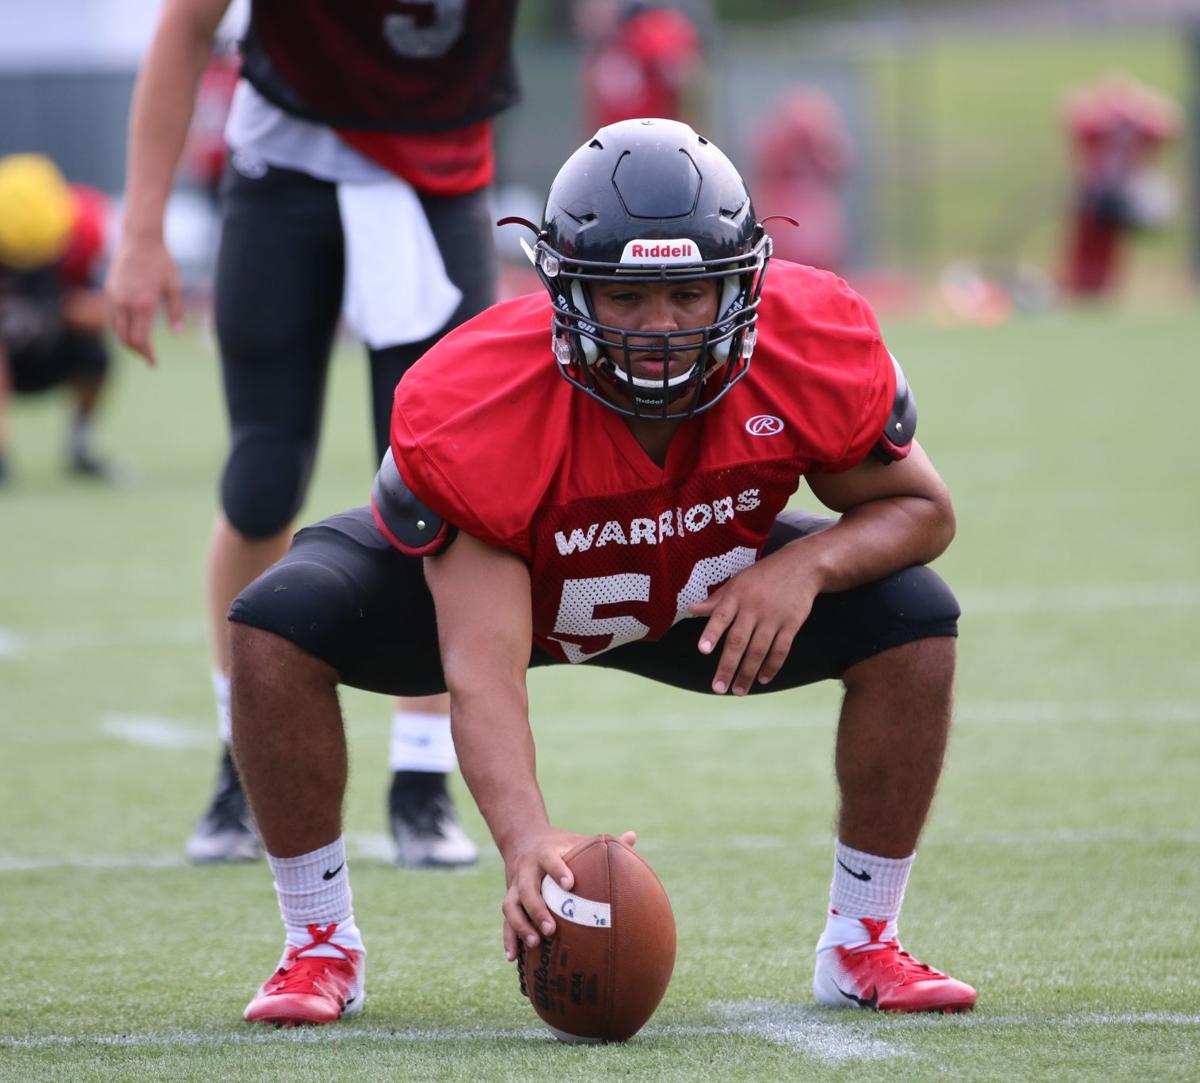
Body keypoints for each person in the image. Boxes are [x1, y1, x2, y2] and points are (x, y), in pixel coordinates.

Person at [227, 118, 976, 1025]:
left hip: (699, 583)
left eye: (689, 293)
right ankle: (317, 943)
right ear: (567, 289)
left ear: (741, 281)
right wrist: (525, 835)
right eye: (625, 297)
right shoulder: (486, 400)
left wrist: (805, 567)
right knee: (278, 623)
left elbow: (924, 509)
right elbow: (482, 671)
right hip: (536, 588)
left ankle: (864, 937)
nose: (660, 328)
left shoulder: (803, 342)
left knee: (914, 618)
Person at [106, 0, 522, 867]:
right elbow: (187, 25)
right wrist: (141, 229)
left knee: (441, 490)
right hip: (287, 166)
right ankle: (244, 760)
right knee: (261, 481)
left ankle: (422, 778)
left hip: (440, 171)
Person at [0, 154, 114, 485]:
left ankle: (80, 444)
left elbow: (105, 311)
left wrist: (58, 309)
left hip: (53, 343)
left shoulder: (88, 230)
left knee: (95, 353)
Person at [577, 0, 703, 133]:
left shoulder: (646, 36)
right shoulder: (598, 55)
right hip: (617, 140)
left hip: (655, 137)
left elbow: (685, 78)